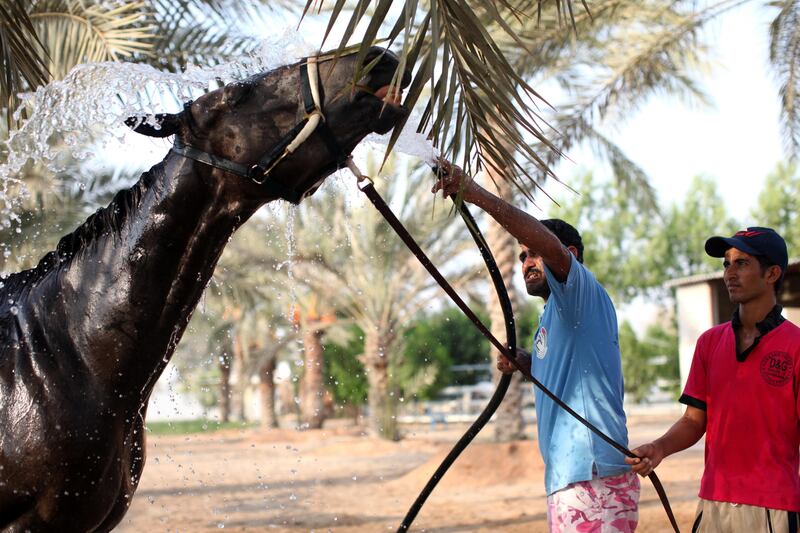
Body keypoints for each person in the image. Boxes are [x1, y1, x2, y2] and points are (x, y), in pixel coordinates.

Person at [432, 161, 639, 533]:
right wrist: (527, 364)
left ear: (569, 255)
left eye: (534, 253)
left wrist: (473, 192)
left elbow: (551, 248)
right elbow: (563, 374)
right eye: (523, 255)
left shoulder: (579, 293)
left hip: (593, 476)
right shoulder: (553, 315)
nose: (526, 262)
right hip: (567, 479)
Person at [625, 227, 800, 532]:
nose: (729, 273)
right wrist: (659, 448)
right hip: (713, 503)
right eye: (726, 263)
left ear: (772, 273)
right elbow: (694, 420)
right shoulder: (709, 342)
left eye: (742, 263)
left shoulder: (796, 345)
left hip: (773, 507)